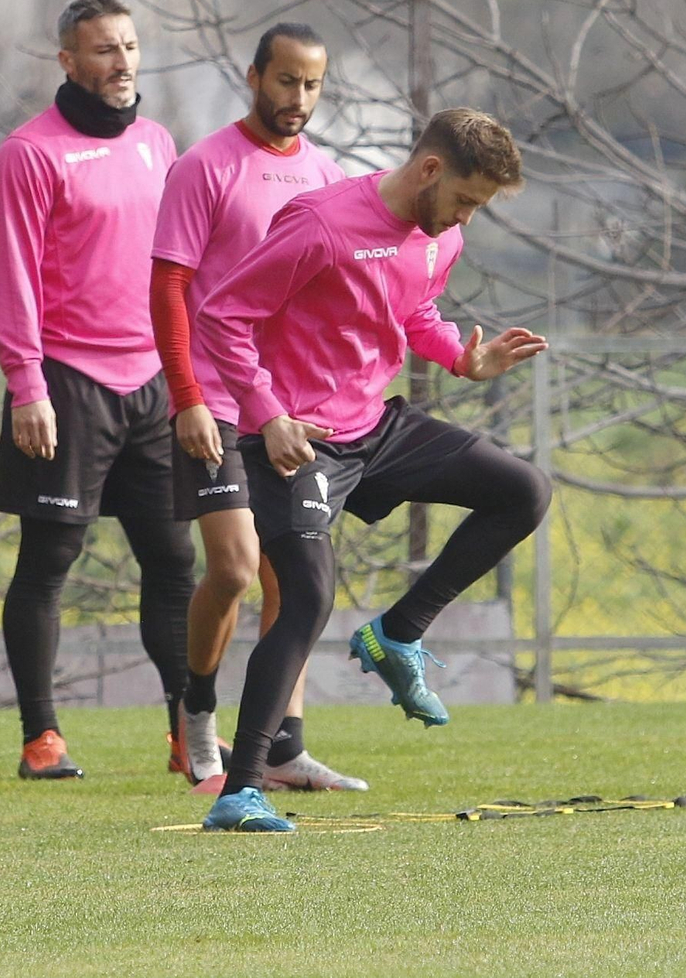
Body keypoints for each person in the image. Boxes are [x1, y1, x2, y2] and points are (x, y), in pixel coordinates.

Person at [193, 108, 551, 831]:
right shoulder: (320, 225)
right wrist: (266, 413)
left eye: (478, 208)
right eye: (465, 199)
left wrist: (461, 358)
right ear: (429, 170)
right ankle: (241, 792)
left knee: (524, 490)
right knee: (308, 598)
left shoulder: (440, 235)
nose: (466, 218)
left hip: (376, 427)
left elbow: (415, 311)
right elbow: (222, 315)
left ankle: (400, 632)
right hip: (299, 437)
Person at [150, 22, 366, 795]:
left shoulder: (327, 176)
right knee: (236, 568)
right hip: (216, 401)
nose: (298, 97)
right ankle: (197, 714)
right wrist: (186, 397)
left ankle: (283, 747)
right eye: (286, 81)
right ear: (254, 77)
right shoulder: (205, 166)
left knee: (291, 574)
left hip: (289, 408)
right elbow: (169, 287)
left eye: (312, 84)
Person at [0, 0, 196, 780]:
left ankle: (189, 732)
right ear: (69, 62)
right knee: (50, 558)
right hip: (67, 383)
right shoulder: (29, 153)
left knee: (173, 560)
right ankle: (41, 738)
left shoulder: (158, 143)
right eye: (105, 50)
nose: (122, 63)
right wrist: (26, 385)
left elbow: (181, 265)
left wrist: (192, 376)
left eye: (130, 46)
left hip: (154, 382)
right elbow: (11, 275)